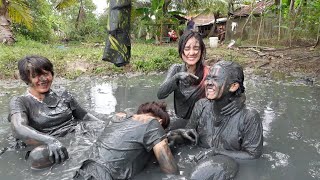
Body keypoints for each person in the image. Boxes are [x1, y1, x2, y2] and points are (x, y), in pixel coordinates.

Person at [168, 61, 263, 179]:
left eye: (216, 79)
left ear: (233, 86)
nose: (209, 83)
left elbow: (253, 156)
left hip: (223, 167)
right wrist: (175, 136)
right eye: (208, 78)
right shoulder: (201, 105)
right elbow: (190, 136)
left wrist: (217, 152)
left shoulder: (249, 117)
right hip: (196, 164)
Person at [8, 55, 104, 169]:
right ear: (26, 79)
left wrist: (104, 126)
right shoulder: (20, 101)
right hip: (48, 142)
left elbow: (84, 116)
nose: (43, 79)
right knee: (38, 156)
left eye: (46, 74)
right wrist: (50, 141)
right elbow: (18, 128)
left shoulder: (62, 93)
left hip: (76, 135)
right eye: (36, 76)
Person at [73, 102, 179, 180]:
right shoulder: (153, 124)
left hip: (82, 172)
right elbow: (170, 171)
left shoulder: (117, 118)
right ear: (160, 122)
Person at [157, 30, 209, 129]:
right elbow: (160, 94)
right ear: (181, 51)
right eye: (187, 48)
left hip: (200, 124)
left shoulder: (209, 73)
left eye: (196, 48)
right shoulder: (176, 69)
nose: (192, 53)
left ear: (201, 50)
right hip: (179, 122)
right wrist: (176, 78)